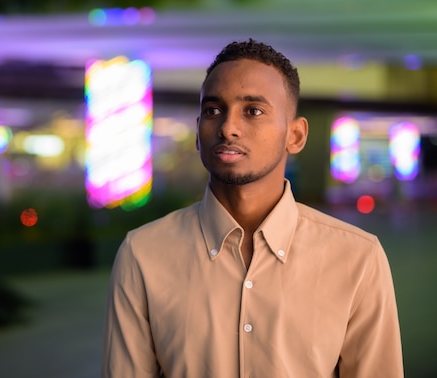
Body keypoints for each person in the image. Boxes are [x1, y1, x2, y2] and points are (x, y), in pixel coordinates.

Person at [101, 39, 404, 377]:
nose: (228, 127)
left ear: (296, 136)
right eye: (213, 110)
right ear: (198, 134)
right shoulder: (143, 254)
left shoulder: (357, 257)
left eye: (253, 111)